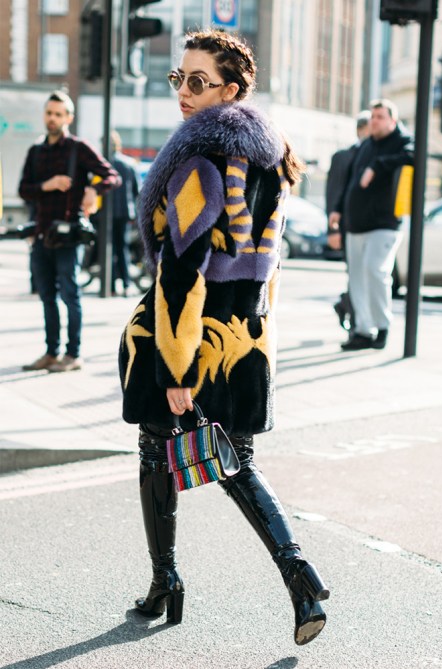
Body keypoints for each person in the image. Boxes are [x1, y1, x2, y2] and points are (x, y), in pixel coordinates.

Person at [118, 29, 329, 646]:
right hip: (245, 338)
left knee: (156, 450)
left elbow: (181, 272)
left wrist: (176, 370)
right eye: (178, 78)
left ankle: (166, 580)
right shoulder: (272, 158)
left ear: (231, 90)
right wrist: (260, 332)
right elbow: (272, 266)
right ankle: (299, 576)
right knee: (238, 464)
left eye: (197, 81)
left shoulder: (201, 161)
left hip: (187, 339)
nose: (183, 92)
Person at [19, 90, 121, 372]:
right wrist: (47, 185)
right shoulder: (36, 151)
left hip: (70, 236)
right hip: (42, 234)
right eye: (49, 113)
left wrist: (93, 189)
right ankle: (51, 353)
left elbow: (112, 176)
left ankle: (73, 354)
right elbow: (23, 190)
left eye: (58, 114)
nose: (52, 118)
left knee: (70, 295)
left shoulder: (78, 148)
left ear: (68, 118)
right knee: (47, 297)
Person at [338, 99, 414, 351]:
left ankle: (382, 327)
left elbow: (413, 156)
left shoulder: (403, 141)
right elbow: (349, 180)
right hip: (355, 223)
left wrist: (378, 166)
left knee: (375, 271)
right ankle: (363, 331)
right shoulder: (366, 145)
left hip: (384, 223)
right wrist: (337, 210)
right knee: (357, 279)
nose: (374, 121)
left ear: (393, 120)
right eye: (372, 116)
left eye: (380, 117)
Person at [326, 111, 371, 331]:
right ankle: (354, 322)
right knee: (355, 275)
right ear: (361, 130)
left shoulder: (375, 154)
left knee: (366, 275)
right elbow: (333, 193)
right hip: (346, 227)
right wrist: (332, 230)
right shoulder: (342, 157)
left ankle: (345, 304)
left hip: (369, 225)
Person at [110, 130, 140, 296]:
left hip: (107, 214)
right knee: (122, 249)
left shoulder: (105, 163)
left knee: (109, 249)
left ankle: (111, 286)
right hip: (124, 212)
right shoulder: (128, 164)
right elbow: (137, 191)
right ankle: (126, 284)